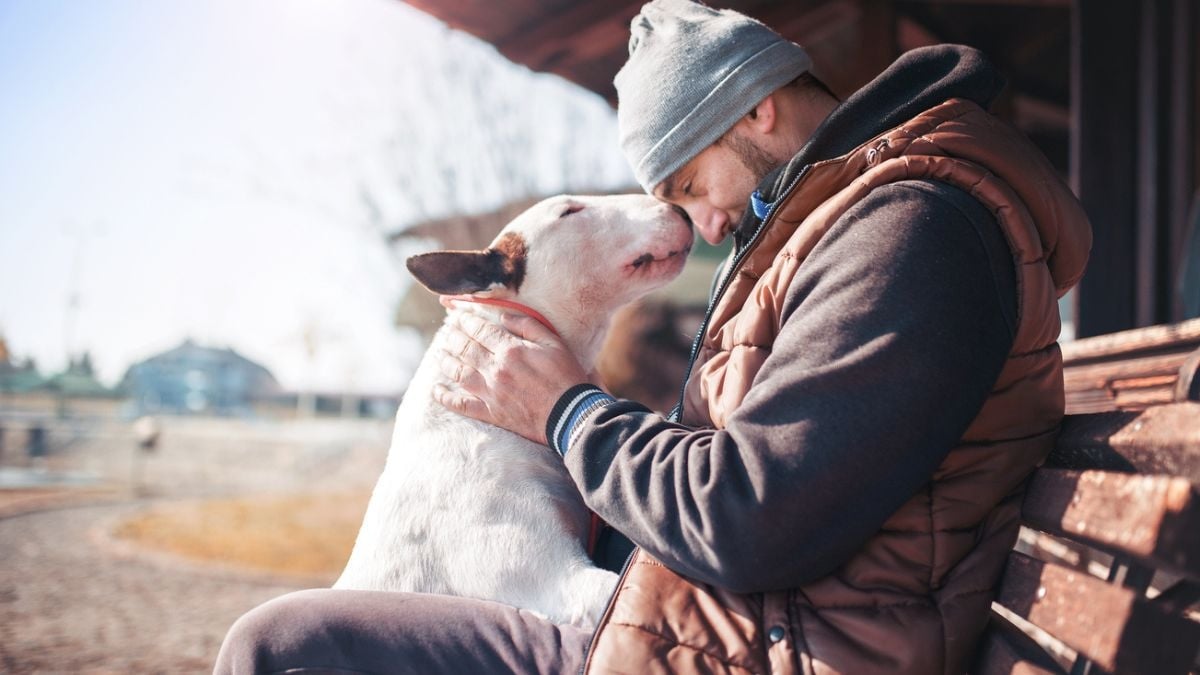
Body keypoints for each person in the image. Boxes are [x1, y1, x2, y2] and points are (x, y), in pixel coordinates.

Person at [215, 1, 1091, 673]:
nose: (704, 226)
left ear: (752, 112)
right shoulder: (857, 226)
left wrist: (565, 411)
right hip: (726, 611)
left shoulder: (910, 232)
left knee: (287, 644)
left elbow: (749, 516)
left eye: (687, 180)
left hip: (759, 645)